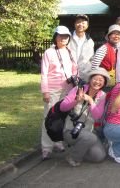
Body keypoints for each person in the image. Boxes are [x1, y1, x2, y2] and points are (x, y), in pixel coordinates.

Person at [40, 26, 78, 160]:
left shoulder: (70, 51)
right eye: (61, 36)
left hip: (68, 89)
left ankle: (58, 142)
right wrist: (45, 91)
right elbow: (44, 73)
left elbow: (74, 69)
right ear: (55, 36)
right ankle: (46, 147)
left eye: (66, 36)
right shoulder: (49, 52)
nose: (64, 39)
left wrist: (75, 78)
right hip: (52, 89)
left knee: (63, 117)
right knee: (49, 117)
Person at [60, 67, 109, 166]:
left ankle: (79, 149)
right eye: (95, 79)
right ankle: (73, 157)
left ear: (104, 83)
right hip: (71, 131)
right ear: (90, 79)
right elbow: (62, 107)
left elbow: (97, 117)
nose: (97, 82)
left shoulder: (102, 95)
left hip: (88, 132)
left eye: (101, 80)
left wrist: (91, 101)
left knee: (99, 156)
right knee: (90, 138)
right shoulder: (78, 89)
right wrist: (76, 101)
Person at [68, 14, 94, 80]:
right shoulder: (67, 38)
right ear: (74, 24)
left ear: (87, 25)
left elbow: (91, 59)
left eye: (83, 22)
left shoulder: (90, 41)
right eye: (78, 22)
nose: (80, 24)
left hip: (85, 75)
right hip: (68, 74)